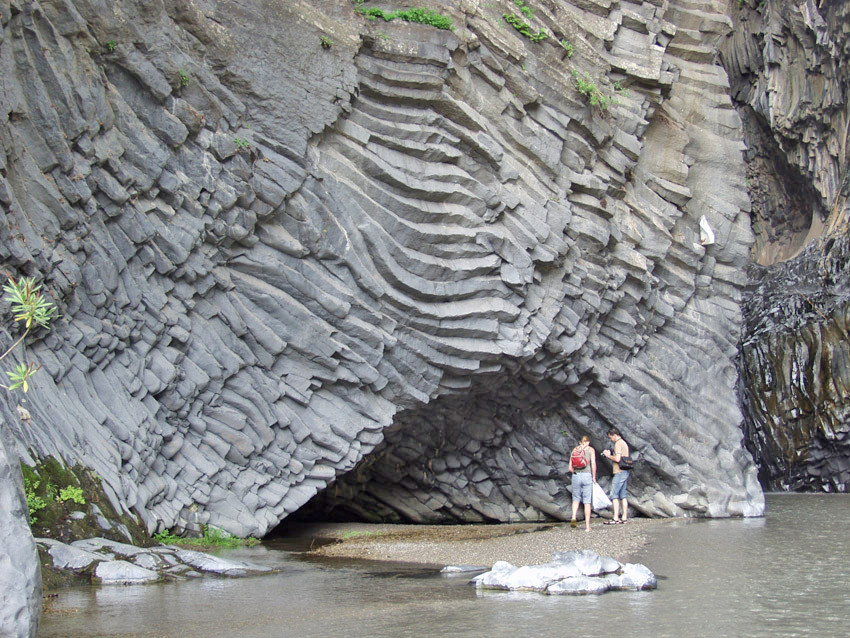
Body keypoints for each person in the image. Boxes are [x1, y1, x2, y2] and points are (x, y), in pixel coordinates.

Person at [568, 435, 596, 531]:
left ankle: (573, 517)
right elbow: (593, 464)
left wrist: (576, 473)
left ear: (580, 442)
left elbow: (570, 468)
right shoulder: (591, 450)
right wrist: (594, 477)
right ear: (588, 442)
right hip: (587, 475)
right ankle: (588, 527)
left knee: (576, 498)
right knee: (587, 501)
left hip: (576, 475)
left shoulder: (575, 449)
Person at [602, 428, 629, 524]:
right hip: (625, 471)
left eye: (610, 437)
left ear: (614, 435)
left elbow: (617, 459)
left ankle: (615, 518)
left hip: (619, 472)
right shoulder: (624, 443)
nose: (611, 440)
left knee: (614, 494)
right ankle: (624, 517)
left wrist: (607, 455)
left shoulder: (618, 444)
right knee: (623, 495)